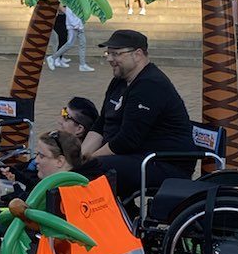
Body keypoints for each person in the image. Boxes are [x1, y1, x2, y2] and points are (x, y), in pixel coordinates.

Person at [81, 29, 194, 197]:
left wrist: (87, 162)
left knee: (92, 170)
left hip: (164, 163)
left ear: (138, 54)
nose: (110, 59)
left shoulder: (150, 85)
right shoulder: (119, 81)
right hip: (136, 157)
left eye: (116, 54)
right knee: (77, 164)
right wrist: (80, 156)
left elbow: (127, 140)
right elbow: (101, 123)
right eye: (108, 53)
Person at [48, 4, 94, 72]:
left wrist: (80, 24)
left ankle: (82, 65)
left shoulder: (79, 2)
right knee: (69, 44)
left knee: (83, 44)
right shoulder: (70, 3)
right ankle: (52, 58)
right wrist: (75, 25)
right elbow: (69, 15)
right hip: (73, 27)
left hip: (80, 26)